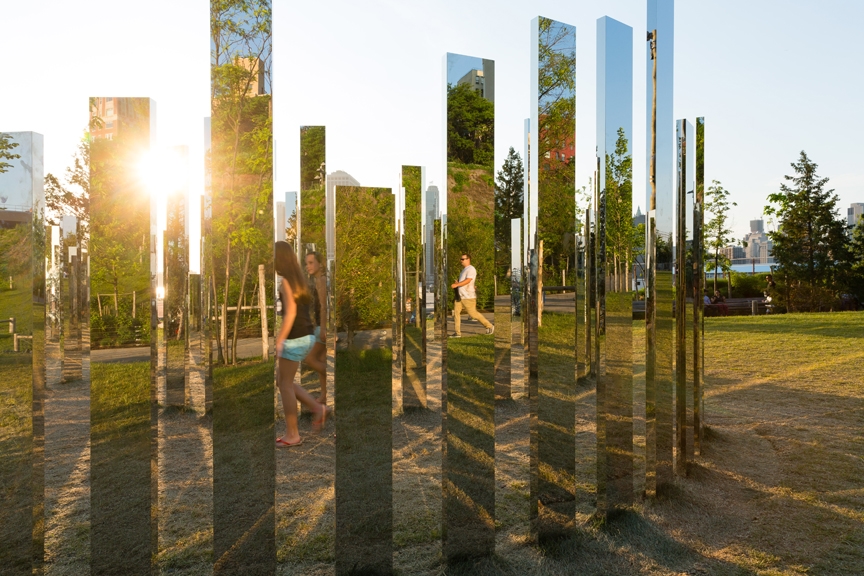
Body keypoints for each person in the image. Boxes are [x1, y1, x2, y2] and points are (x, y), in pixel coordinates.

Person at [275, 241, 328, 447]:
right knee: (282, 380)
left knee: (285, 385)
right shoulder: (299, 280)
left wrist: (279, 341)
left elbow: (290, 315)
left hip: (295, 338)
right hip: (306, 336)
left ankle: (293, 434)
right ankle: (317, 407)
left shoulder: (286, 282)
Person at [450, 252, 494, 337]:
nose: (461, 261)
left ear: (468, 259)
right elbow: (466, 282)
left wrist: (457, 285)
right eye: (461, 259)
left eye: (463, 259)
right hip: (460, 296)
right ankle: (457, 333)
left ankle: (489, 326)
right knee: (456, 314)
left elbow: (468, 280)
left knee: (473, 314)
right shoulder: (464, 270)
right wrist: (458, 283)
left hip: (468, 297)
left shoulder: (471, 269)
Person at [305, 251, 328, 406]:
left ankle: (333, 377)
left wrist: (323, 328)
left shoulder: (321, 280)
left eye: (311, 262)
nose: (308, 266)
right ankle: (325, 395)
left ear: (320, 263)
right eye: (307, 263)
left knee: (310, 359)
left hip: (322, 326)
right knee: (320, 360)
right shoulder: (318, 280)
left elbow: (324, 307)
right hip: (320, 325)